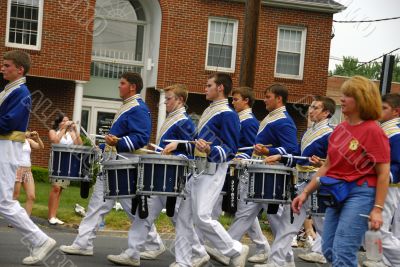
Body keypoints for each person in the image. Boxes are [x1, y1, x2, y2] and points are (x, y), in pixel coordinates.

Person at [60, 72, 163, 263]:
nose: (119, 86)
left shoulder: (138, 109)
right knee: (98, 204)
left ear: (132, 87)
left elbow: (141, 138)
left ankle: (154, 243)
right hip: (115, 162)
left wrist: (118, 142)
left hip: (125, 163)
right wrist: (102, 146)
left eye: (122, 83)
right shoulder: (129, 106)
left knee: (130, 207)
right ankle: (84, 243)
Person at [292, 75, 390, 267]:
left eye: (348, 96)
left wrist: (377, 209)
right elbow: (327, 166)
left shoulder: (373, 131)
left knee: (343, 252)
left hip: (360, 194)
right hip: (336, 192)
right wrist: (304, 193)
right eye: (343, 95)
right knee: (328, 249)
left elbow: (383, 173)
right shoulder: (339, 130)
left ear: (363, 100)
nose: (342, 100)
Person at [107, 84, 210, 267]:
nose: (165, 102)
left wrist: (175, 154)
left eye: (168, 98)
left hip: (174, 180)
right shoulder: (173, 119)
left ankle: (198, 253)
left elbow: (191, 152)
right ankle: (132, 253)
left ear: (180, 100)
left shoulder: (184, 122)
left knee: (180, 219)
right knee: (143, 216)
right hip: (161, 177)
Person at [164, 73, 249, 267]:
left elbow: (230, 149)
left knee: (202, 216)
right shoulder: (211, 110)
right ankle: (183, 261)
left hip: (213, 171)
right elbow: (199, 144)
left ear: (220, 88)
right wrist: (179, 145)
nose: (205, 88)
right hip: (197, 170)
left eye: (208, 85)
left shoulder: (228, 114)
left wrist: (210, 149)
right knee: (183, 217)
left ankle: (235, 249)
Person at [223, 84, 298, 267]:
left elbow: (292, 150)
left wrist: (268, 151)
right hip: (260, 174)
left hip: (272, 177)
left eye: (268, 96)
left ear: (279, 98)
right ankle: (225, 249)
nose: (264, 100)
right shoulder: (273, 117)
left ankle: (286, 259)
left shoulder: (284, 121)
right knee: (244, 214)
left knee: (277, 219)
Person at [263, 95, 336, 265]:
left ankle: (339, 256)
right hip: (302, 182)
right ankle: (276, 262)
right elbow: (297, 156)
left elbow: (336, 161)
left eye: (315, 108)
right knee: (287, 224)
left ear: (326, 113)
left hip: (319, 182)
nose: (310, 111)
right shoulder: (308, 132)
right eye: (310, 107)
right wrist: (279, 156)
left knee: (325, 225)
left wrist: (323, 162)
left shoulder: (331, 133)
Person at [1, 50, 56, 264]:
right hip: (5, 146)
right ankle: (37, 241)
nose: (2, 68)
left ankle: (40, 240)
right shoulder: (12, 90)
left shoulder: (21, 92)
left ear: (20, 69)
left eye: (7, 65)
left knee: (5, 201)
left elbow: (8, 122)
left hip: (6, 147)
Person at [206, 86, 270, 265]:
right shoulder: (240, 118)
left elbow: (249, 148)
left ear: (246, 101)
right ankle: (262, 246)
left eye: (236, 99)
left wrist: (236, 158)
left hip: (241, 171)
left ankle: (226, 248)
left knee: (242, 210)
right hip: (232, 169)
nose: (232, 102)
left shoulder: (249, 122)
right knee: (245, 212)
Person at [362, 93, 400, 267]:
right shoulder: (383, 129)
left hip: (389, 186)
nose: (379, 111)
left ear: (396, 111)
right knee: (376, 230)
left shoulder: (396, 132)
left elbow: (398, 164)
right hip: (379, 184)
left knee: (378, 231)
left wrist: (381, 176)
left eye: (384, 108)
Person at [48, 112, 83, 225]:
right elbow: (55, 141)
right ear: (59, 122)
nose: (66, 123)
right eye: (64, 121)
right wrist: (63, 129)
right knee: (56, 188)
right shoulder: (53, 131)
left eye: (68, 121)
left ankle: (54, 215)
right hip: (56, 162)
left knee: (60, 190)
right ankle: (50, 216)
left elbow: (80, 145)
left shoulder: (71, 133)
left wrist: (75, 130)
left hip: (66, 163)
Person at [13, 130, 44, 216]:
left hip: (27, 170)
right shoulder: (15, 138)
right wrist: (23, 135)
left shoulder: (28, 141)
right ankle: (13, 218)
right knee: (15, 196)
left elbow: (41, 146)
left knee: (31, 196)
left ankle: (26, 219)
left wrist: (37, 138)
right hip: (18, 169)